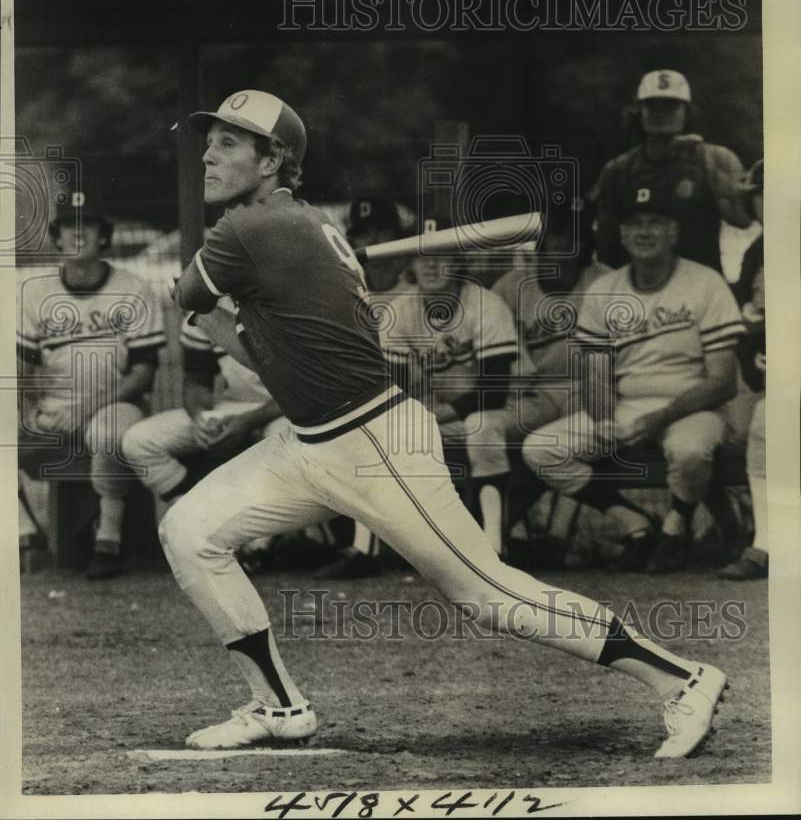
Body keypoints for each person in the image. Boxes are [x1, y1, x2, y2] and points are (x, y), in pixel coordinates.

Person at [162, 87, 730, 759]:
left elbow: (189, 295)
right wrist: (222, 315)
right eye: (210, 138)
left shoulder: (249, 230)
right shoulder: (298, 229)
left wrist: (200, 308)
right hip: (310, 443)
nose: (208, 152)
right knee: (191, 530)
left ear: (274, 158)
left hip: (373, 443)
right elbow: (254, 341)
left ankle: (680, 679)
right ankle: (278, 705)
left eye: (229, 142)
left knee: (486, 594)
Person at [523, 185, 745, 574]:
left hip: (697, 406)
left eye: (655, 223)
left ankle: (675, 529)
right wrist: (603, 419)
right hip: (628, 407)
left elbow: (723, 381)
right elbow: (594, 371)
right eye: (634, 224)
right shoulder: (604, 289)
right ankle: (637, 524)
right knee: (542, 449)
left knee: (690, 451)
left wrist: (658, 420)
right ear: (622, 235)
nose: (644, 232)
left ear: (674, 231)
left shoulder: (705, 282)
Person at [493, 200, 656, 569]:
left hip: (595, 391)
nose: (559, 243)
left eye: (569, 234)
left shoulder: (607, 281)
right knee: (491, 433)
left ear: (585, 240)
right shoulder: (511, 285)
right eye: (551, 235)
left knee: (553, 446)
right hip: (534, 392)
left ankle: (552, 537)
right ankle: (505, 536)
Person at [17, 188, 166, 578]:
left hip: (117, 405)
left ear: (104, 236)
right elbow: (22, 366)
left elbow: (143, 373)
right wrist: (29, 407)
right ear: (57, 236)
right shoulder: (36, 293)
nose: (78, 235)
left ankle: (109, 538)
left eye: (88, 227)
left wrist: (85, 410)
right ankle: (25, 531)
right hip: (54, 411)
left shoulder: (133, 288)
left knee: (106, 431)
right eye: (69, 227)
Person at [381, 219, 519, 556]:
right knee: (385, 434)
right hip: (445, 410)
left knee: (482, 425)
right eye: (422, 254)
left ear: (460, 260)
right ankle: (376, 551)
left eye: (442, 254)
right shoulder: (400, 310)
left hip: (516, 404)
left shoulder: (486, 304)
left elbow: (495, 389)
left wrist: (433, 415)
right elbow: (391, 387)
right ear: (411, 262)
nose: (430, 264)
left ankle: (493, 548)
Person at [314, 196, 413, 578]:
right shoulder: (347, 292)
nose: (374, 244)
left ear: (397, 237)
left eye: (382, 234)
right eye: (364, 235)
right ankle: (340, 541)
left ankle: (365, 550)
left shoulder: (417, 289)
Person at [122, 302, 283, 516]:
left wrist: (251, 420)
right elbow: (197, 378)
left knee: (284, 440)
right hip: (237, 406)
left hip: (289, 411)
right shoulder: (209, 301)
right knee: (139, 441)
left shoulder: (289, 292)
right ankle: (200, 517)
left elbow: (310, 389)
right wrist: (200, 415)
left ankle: (291, 539)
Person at [592, 69, 752, 273]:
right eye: (652, 106)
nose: (660, 113)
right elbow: (606, 244)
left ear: (687, 112)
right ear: (639, 113)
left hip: (700, 287)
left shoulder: (718, 158)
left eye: (670, 106)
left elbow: (742, 220)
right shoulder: (618, 170)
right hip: (640, 288)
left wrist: (709, 171)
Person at [719, 160, 767, 579]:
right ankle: (754, 532)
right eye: (760, 194)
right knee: (742, 425)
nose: (767, 203)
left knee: (768, 423)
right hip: (770, 375)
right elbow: (745, 316)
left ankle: (765, 546)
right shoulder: (759, 249)